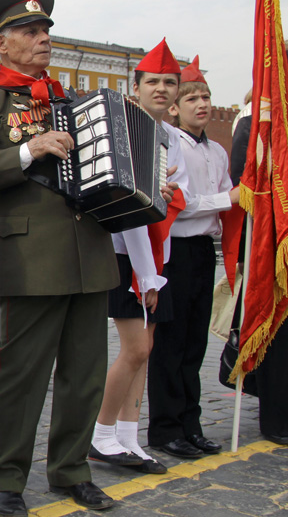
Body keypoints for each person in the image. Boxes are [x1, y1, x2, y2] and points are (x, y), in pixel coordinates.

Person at [0, 0, 119, 517]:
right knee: (20, 372)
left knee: (85, 371)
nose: (42, 36)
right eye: (29, 29)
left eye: (45, 27)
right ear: (3, 43)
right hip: (29, 255)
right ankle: (4, 476)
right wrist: (28, 151)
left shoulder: (74, 102)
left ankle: (72, 470)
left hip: (89, 250)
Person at [90, 39, 190, 473]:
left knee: (146, 347)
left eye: (170, 82)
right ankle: (100, 433)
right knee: (134, 348)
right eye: (153, 82)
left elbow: (172, 199)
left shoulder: (171, 137)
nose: (162, 89)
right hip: (126, 254)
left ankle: (129, 435)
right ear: (137, 86)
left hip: (155, 256)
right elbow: (128, 207)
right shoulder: (126, 129)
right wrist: (145, 277)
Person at [147, 56, 232, 457]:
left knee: (195, 343)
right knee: (171, 342)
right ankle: (165, 427)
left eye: (206, 96)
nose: (202, 104)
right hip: (175, 249)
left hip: (202, 250)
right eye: (193, 97)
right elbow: (179, 200)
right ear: (176, 108)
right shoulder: (170, 142)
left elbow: (228, 199)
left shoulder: (217, 151)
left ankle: (190, 422)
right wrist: (223, 200)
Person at [228, 92, 288, 444]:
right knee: (277, 331)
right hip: (273, 242)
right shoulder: (256, 126)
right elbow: (243, 182)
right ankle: (277, 417)